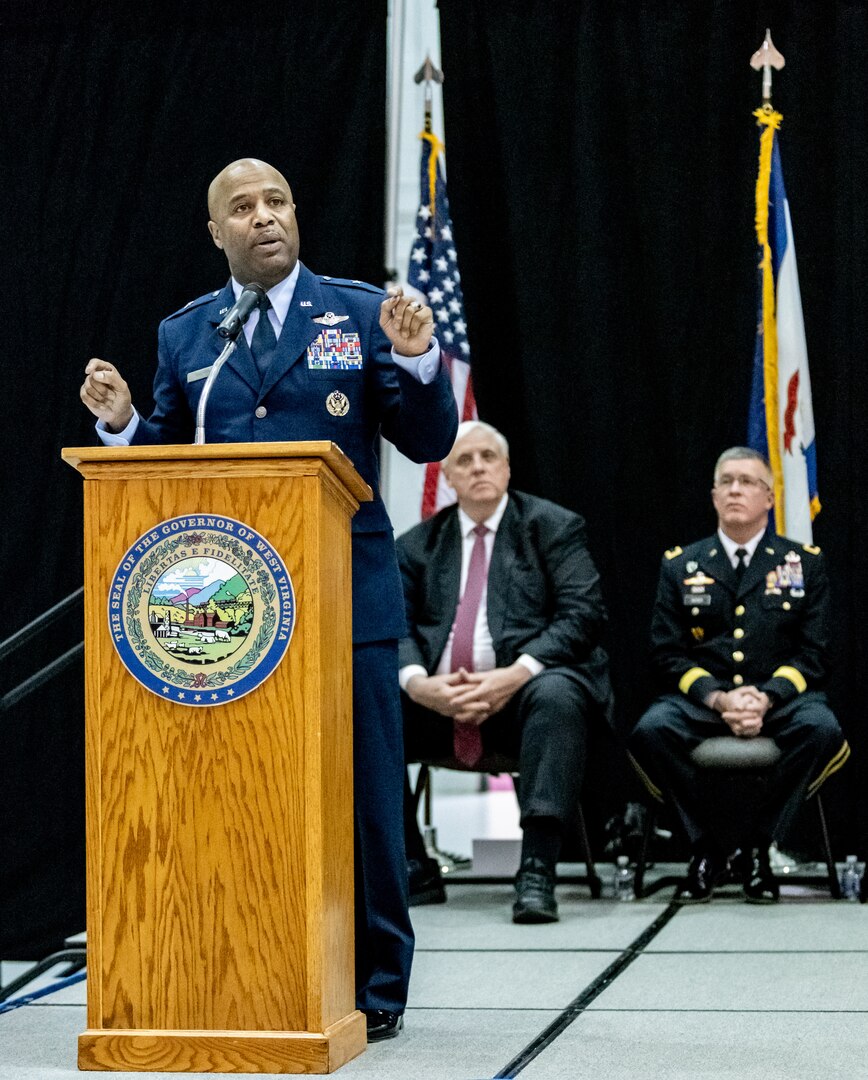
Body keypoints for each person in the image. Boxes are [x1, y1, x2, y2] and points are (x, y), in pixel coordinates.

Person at [79, 158, 459, 1041]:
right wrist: (124, 424)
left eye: (277, 202)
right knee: (238, 789)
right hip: (229, 615)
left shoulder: (358, 312)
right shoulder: (189, 335)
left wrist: (416, 356)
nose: (263, 218)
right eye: (241, 209)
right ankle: (239, 961)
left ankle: (377, 983)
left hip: (345, 598)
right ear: (217, 233)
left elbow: (428, 434)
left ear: (297, 215)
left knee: (366, 799)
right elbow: (167, 462)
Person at [395, 420, 612, 923]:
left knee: (558, 693)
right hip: (436, 704)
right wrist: (419, 684)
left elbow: (582, 616)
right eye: (464, 461)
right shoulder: (414, 546)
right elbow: (393, 628)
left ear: (507, 467)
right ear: (446, 476)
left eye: (487, 457)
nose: (477, 468)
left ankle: (537, 869)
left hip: (523, 699)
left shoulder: (553, 527)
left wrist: (514, 674)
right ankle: (412, 864)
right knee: (365, 711)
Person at [629, 447, 849, 904]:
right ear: (712, 496)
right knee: (650, 731)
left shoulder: (803, 564)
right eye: (726, 481)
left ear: (769, 498)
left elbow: (816, 653)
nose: (735, 490)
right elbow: (666, 653)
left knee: (823, 729)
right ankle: (705, 848)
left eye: (747, 482)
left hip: (780, 702)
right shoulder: (681, 564)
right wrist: (718, 699)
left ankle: (757, 847)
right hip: (703, 702)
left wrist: (766, 697)